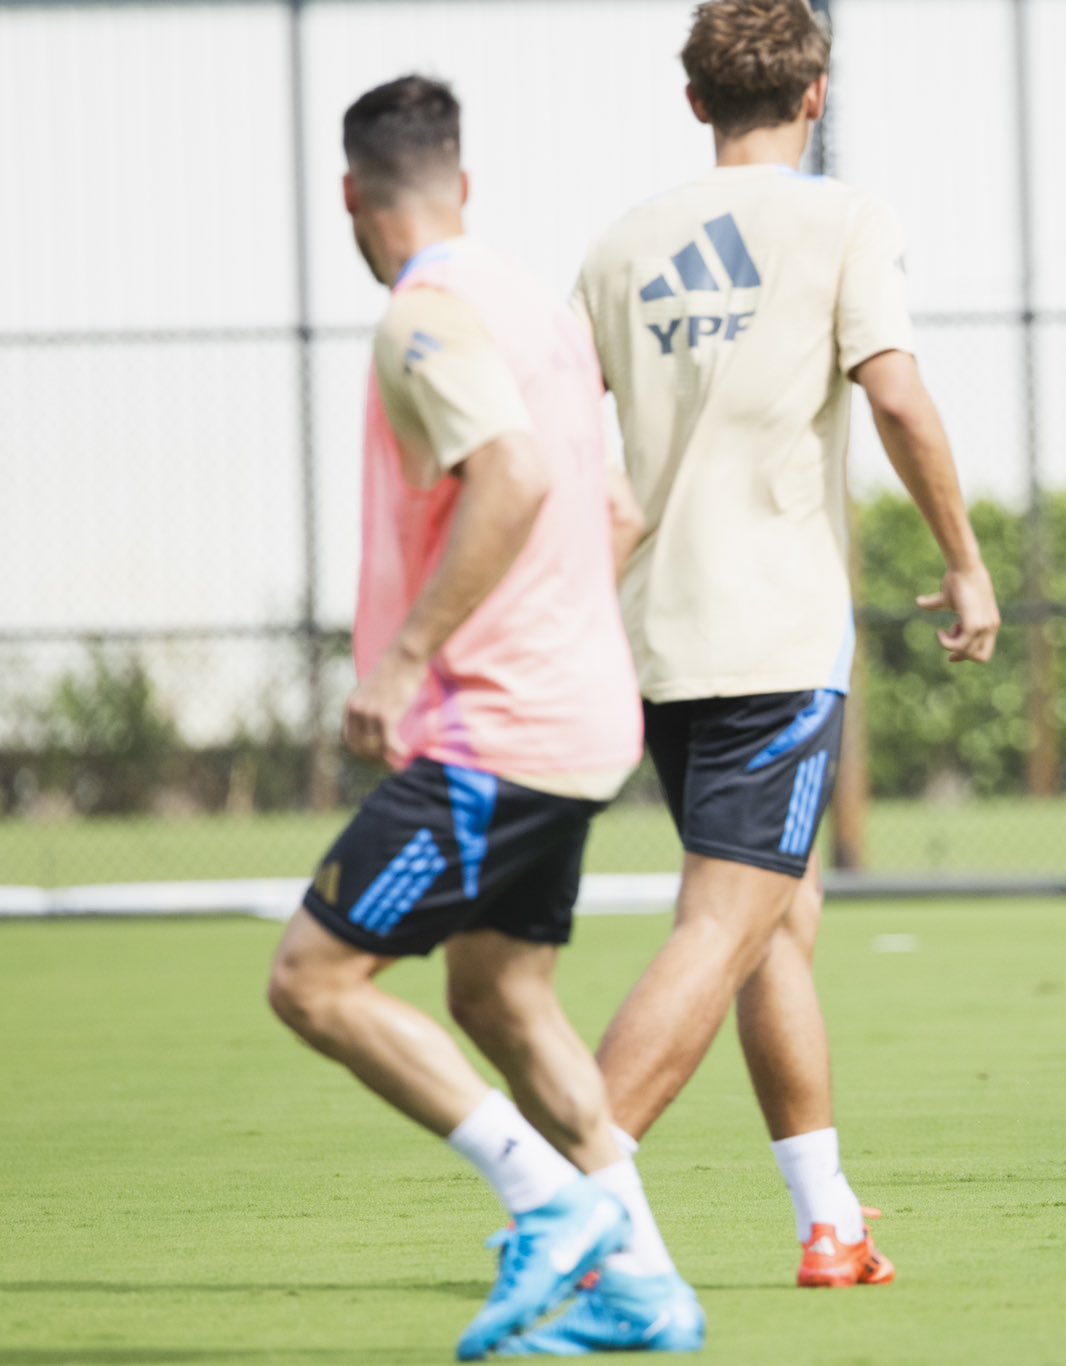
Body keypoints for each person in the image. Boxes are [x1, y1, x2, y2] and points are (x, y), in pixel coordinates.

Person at [264, 75, 701, 1357]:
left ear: (352, 196)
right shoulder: (535, 312)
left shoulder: (425, 318)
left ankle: (550, 1203)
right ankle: (648, 1285)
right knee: (504, 1000)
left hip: (490, 729)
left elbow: (506, 475)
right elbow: (610, 514)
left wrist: (402, 665)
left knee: (314, 980)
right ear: (462, 183)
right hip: (580, 719)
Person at [572, 0, 1000, 1286]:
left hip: (655, 645)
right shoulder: (841, 219)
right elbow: (897, 393)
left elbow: (570, 459)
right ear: (813, 97)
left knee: (775, 920)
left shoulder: (617, 247)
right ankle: (568, 1196)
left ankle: (831, 1221)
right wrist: (965, 561)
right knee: (721, 923)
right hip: (772, 642)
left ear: (695, 103)